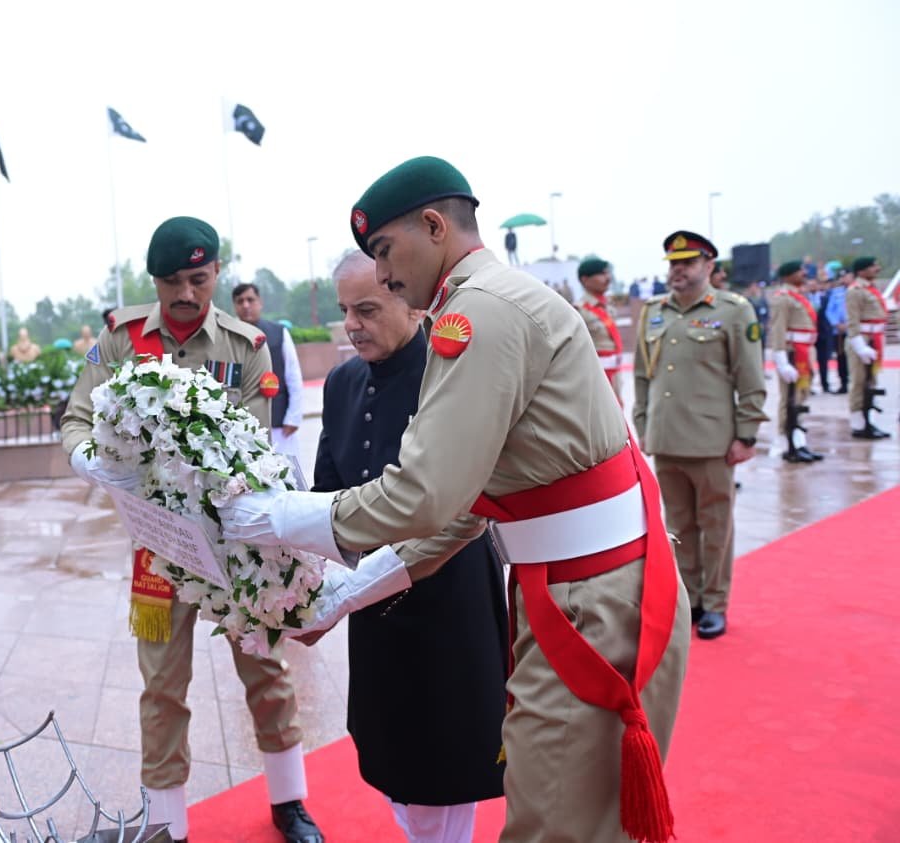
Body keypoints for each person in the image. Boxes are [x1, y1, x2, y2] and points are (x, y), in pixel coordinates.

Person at [218, 157, 691, 843]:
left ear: (435, 227)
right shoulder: (489, 301)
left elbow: (426, 494)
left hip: (590, 597)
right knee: (573, 814)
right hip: (581, 586)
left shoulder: (478, 312)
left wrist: (275, 517)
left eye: (386, 251)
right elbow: (469, 505)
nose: (383, 273)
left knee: (557, 824)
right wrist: (341, 591)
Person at [60, 217, 323, 843]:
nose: (185, 294)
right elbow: (76, 417)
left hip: (235, 547)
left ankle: (289, 800)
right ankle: (167, 823)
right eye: (172, 282)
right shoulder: (120, 338)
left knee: (265, 667)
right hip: (156, 545)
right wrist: (90, 460)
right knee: (161, 685)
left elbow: (252, 445)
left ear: (217, 274)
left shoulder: (245, 346)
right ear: (154, 280)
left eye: (198, 280)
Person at [317, 250, 507, 843]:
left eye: (368, 309)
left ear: (411, 302)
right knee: (392, 753)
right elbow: (327, 493)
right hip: (372, 604)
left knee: (443, 760)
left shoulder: (450, 373)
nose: (352, 325)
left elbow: (458, 503)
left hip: (447, 595)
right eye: (346, 311)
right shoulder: (343, 382)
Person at [633, 230, 767, 641]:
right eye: (674, 263)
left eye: (688, 262)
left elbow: (750, 377)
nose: (679, 270)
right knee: (678, 527)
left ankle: (715, 602)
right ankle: (689, 598)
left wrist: (747, 434)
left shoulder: (733, 310)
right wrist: (643, 424)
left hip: (713, 442)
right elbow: (642, 376)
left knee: (715, 527)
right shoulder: (653, 311)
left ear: (710, 266)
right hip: (666, 439)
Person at [231, 283, 306, 463]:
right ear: (234, 306)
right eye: (240, 301)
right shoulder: (229, 337)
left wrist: (293, 417)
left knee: (285, 473)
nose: (246, 305)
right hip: (241, 425)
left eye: (250, 300)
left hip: (279, 423)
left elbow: (293, 375)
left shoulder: (279, 333)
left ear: (260, 302)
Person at [767, 261, 823, 463]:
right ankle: (787, 442)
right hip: (792, 352)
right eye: (799, 271)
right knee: (789, 399)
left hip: (805, 351)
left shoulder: (798, 295)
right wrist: (781, 360)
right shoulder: (782, 298)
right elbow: (778, 329)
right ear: (788, 275)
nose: (804, 273)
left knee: (801, 397)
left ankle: (799, 442)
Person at [845, 256, 890, 439]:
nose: (877, 269)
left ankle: (868, 420)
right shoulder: (855, 291)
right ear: (861, 271)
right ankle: (858, 424)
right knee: (859, 382)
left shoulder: (871, 288)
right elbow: (853, 321)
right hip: (863, 339)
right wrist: (859, 346)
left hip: (874, 339)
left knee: (871, 382)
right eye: (873, 266)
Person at [575, 257, 624, 405]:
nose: (607, 278)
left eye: (607, 273)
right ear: (585, 280)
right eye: (601, 274)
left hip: (615, 374)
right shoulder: (579, 310)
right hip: (596, 378)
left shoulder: (608, 306)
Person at [744, 281, 770, 350]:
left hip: (762, 328)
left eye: (756, 287)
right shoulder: (746, 301)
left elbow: (767, 315)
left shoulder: (762, 301)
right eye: (752, 287)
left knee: (762, 346)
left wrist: (766, 324)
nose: (754, 289)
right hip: (751, 327)